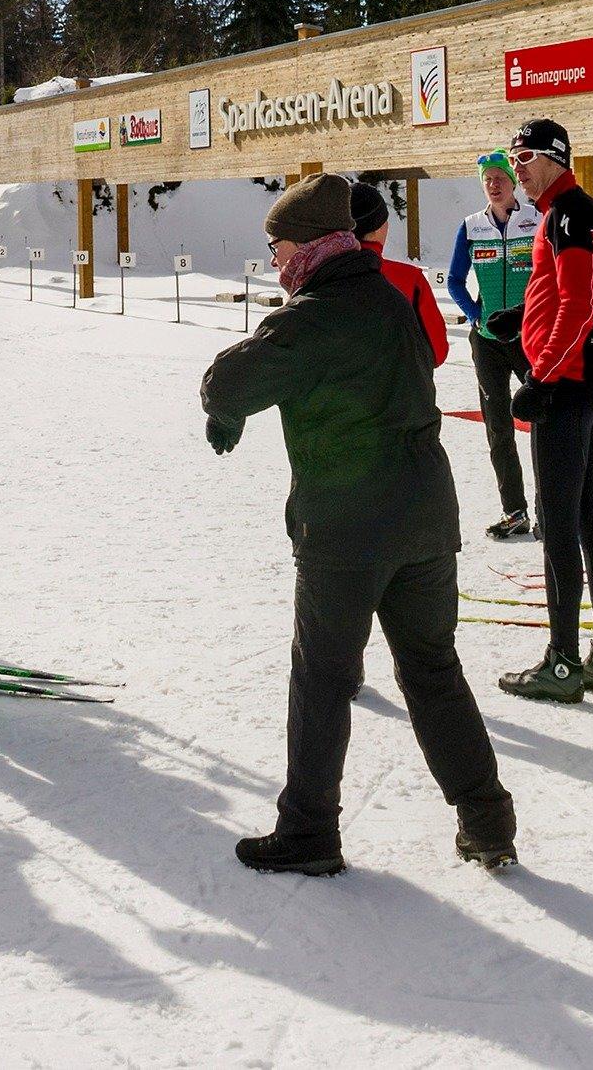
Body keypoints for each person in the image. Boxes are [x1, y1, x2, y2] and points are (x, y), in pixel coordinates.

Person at [202, 172, 515, 877]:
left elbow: (227, 385)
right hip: (426, 517)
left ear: (310, 246)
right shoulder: (386, 296)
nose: (276, 264)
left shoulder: (308, 316)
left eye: (278, 249)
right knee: (433, 670)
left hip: (347, 527)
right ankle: (486, 817)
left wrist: (224, 406)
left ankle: (309, 831)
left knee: (322, 677)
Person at [496, 120, 593, 705]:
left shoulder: (570, 212)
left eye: (524, 157)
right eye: (513, 157)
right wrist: (518, 316)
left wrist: (540, 378)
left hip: (571, 381)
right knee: (587, 515)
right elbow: (560, 294)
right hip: (590, 372)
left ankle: (563, 663)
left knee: (557, 524)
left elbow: (579, 304)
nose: (517, 168)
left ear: (554, 159)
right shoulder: (564, 212)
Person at [447, 151, 543, 541]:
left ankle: (546, 509)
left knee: (542, 421)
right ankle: (514, 510)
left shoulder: (537, 219)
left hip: (528, 338)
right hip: (487, 341)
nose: (494, 184)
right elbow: (454, 279)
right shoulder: (471, 226)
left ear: (512, 180)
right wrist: (475, 315)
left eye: (500, 177)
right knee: (498, 427)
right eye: (487, 179)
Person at [350, 179, 448, 367]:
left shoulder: (319, 274)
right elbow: (437, 351)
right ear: (380, 226)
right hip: (401, 390)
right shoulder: (410, 279)